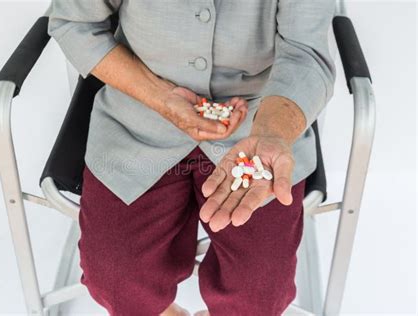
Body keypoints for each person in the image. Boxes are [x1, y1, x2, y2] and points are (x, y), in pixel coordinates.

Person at [48, 1, 335, 315]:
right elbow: (74, 23)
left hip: (257, 123)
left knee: (258, 295)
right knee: (116, 279)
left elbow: (306, 54)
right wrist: (159, 96)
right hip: (140, 114)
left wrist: (272, 133)